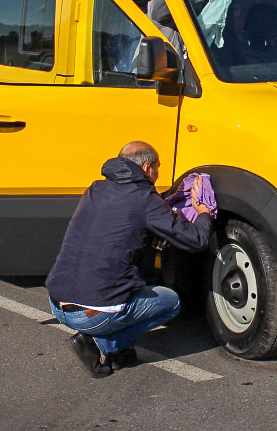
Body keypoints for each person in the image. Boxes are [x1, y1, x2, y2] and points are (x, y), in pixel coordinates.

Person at [46, 141, 214, 378]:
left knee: (127, 282)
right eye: (158, 168)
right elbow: (195, 240)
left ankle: (115, 346)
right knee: (170, 301)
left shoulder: (95, 189)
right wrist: (204, 211)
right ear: (147, 168)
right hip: (91, 313)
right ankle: (101, 344)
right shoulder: (145, 198)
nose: (158, 175)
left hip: (58, 301)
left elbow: (117, 229)